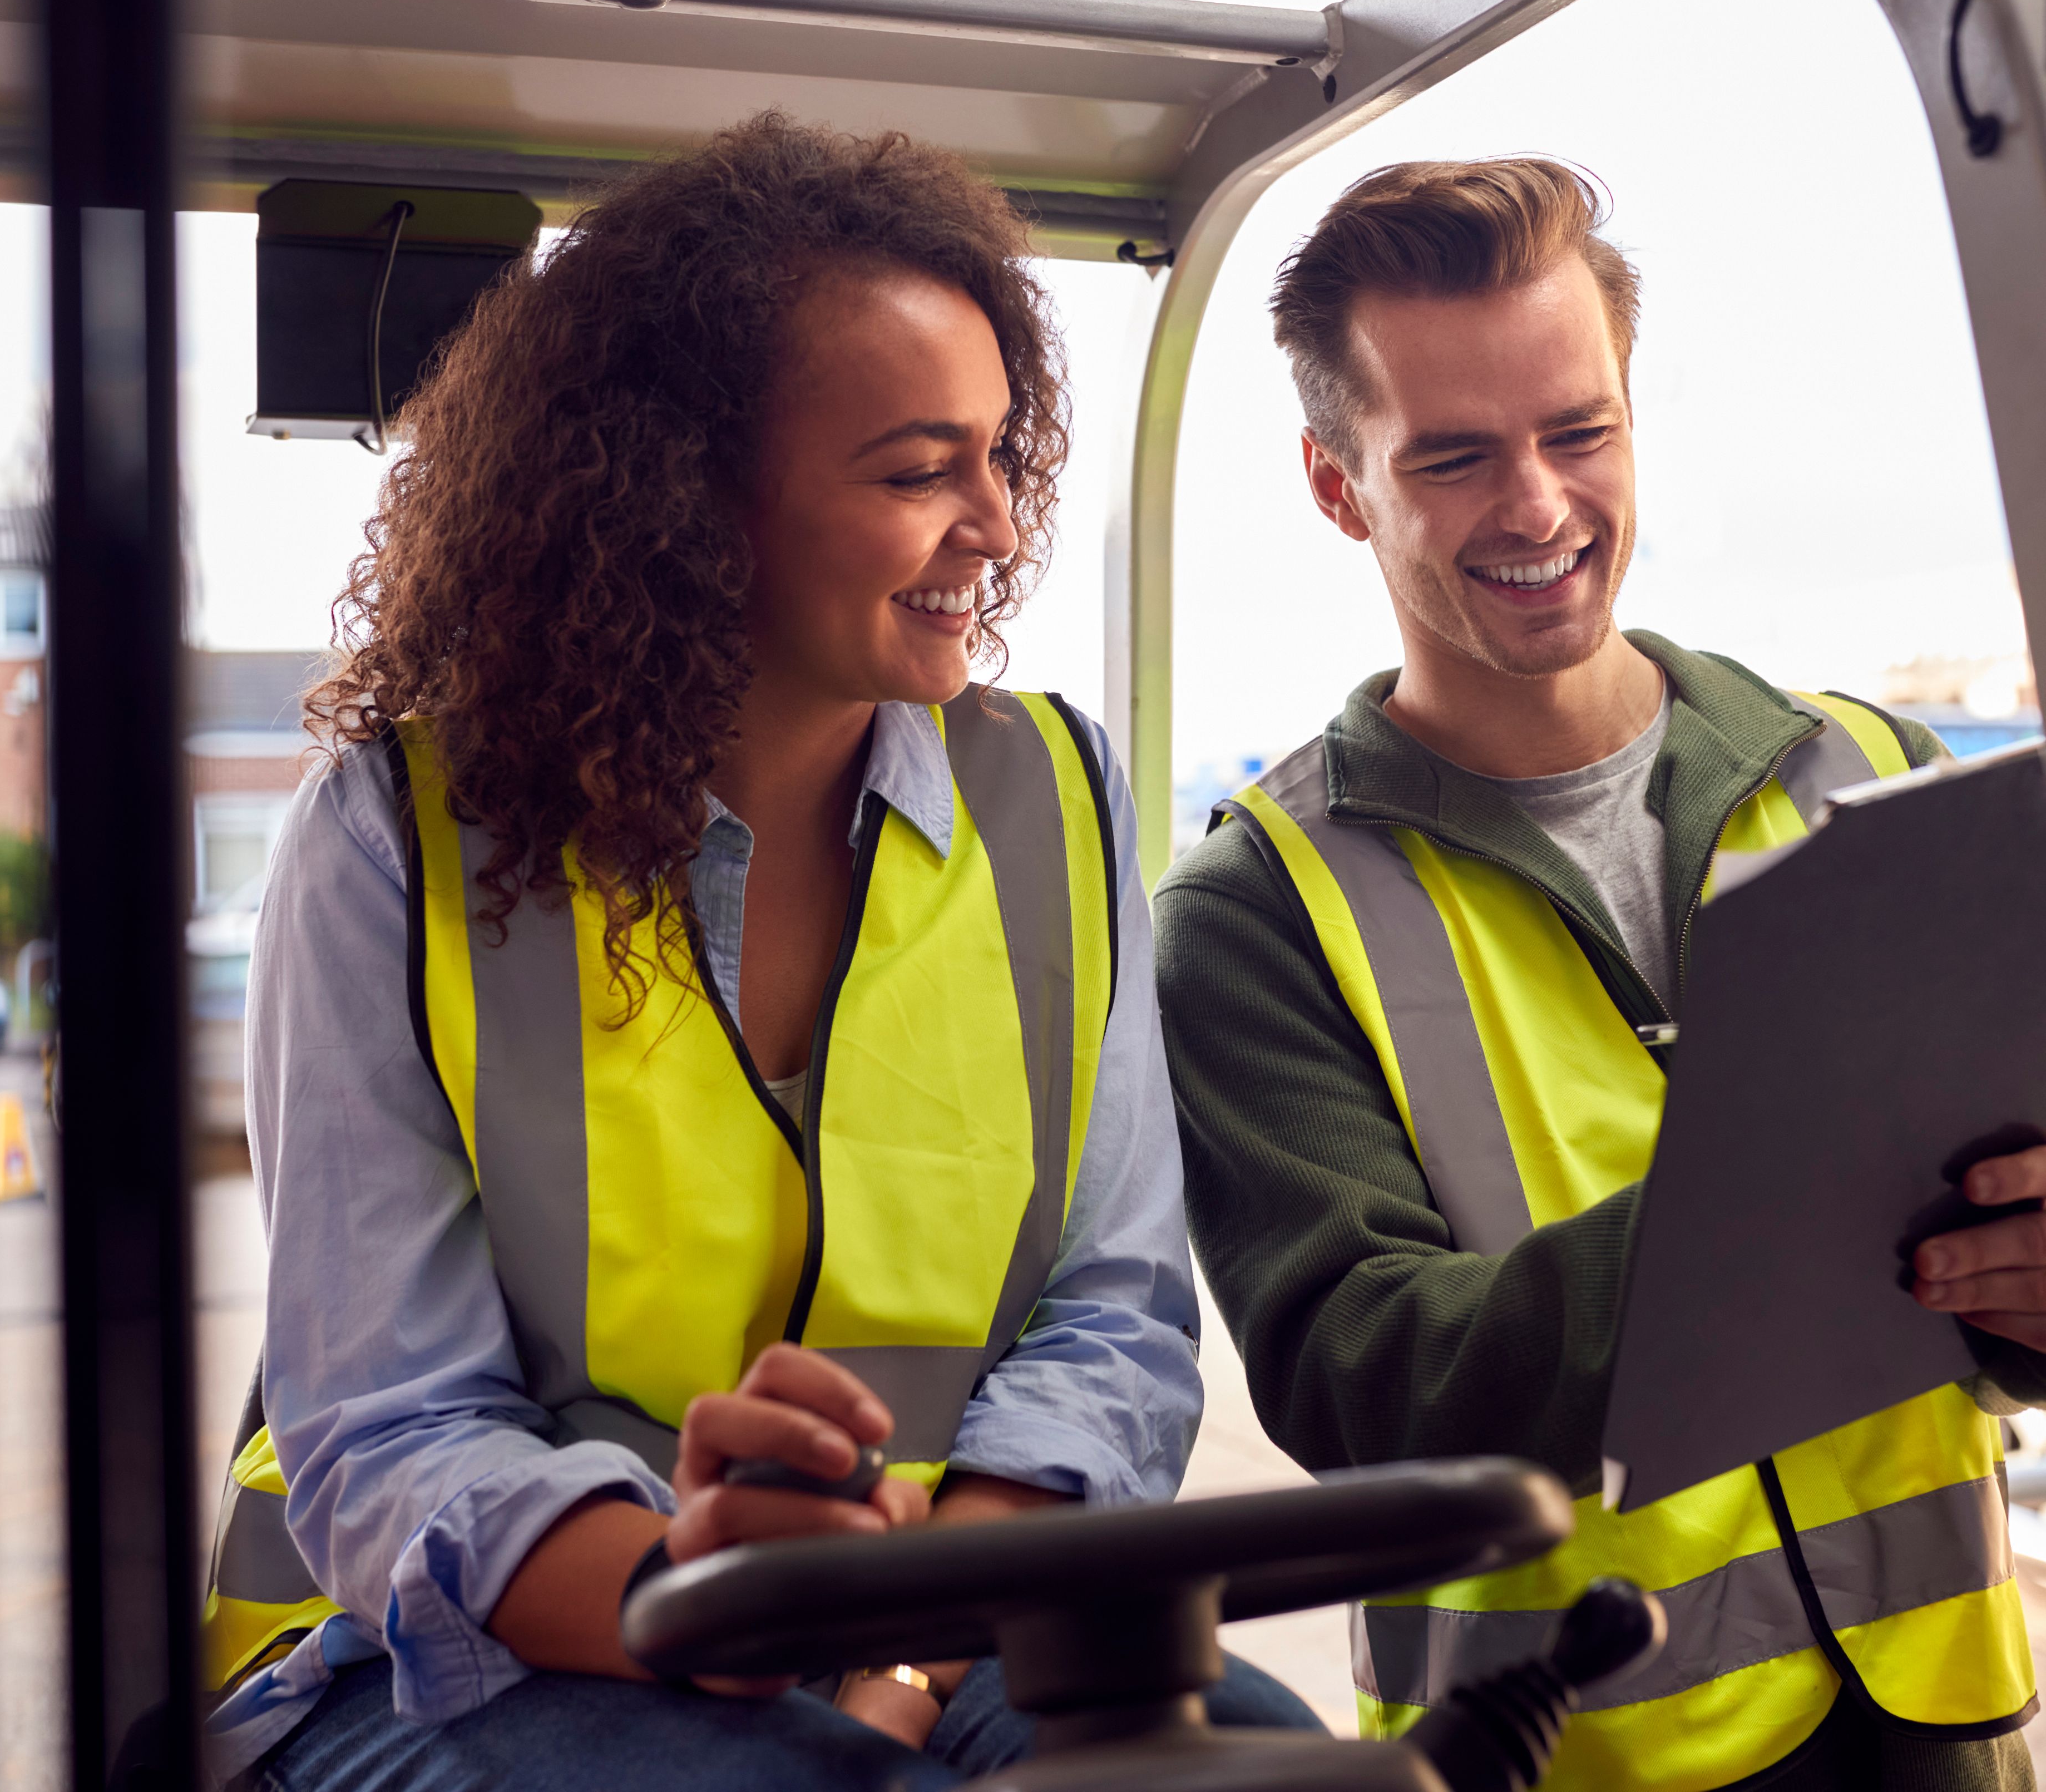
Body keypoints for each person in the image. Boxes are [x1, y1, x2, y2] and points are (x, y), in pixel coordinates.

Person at [202, 114, 1313, 1789]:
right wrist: (715, 1602)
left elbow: (1116, 1317)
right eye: (916, 470)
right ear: (689, 502)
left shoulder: (1058, 801)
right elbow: (391, 1436)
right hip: (457, 1657)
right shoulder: (391, 844)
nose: (998, 529)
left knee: (1246, 1762)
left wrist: (905, 1651)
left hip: (942, 1611)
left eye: (1001, 456)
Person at [1154, 159, 2046, 1792]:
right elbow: (1367, 1378)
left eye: (1579, 432)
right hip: (1560, 1750)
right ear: (1341, 487)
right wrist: (1780, 1213)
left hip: (1936, 1725)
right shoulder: (1254, 911)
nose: (1540, 507)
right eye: (1458, 458)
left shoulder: (1874, 769)